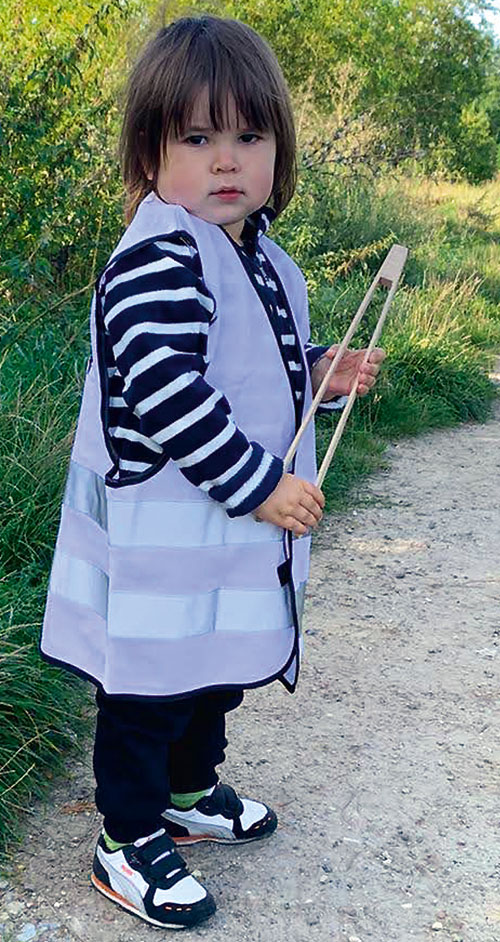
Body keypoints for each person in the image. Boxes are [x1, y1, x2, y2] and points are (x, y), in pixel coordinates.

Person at [39, 15, 384, 930]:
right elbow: (167, 390)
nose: (225, 161)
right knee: (150, 686)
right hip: (166, 535)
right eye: (196, 137)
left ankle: (191, 793)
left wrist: (320, 373)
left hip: (223, 538)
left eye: (248, 135)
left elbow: (251, 361)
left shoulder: (259, 254)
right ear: (150, 155)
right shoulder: (158, 255)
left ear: (280, 148)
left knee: (212, 672)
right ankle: (126, 837)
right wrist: (262, 487)